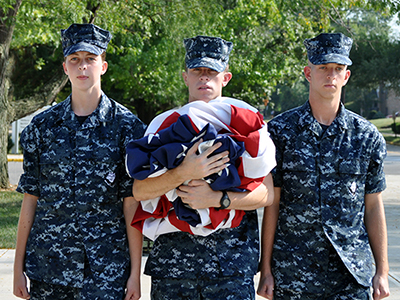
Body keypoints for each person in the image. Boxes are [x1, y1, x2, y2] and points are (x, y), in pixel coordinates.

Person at [124, 35, 275, 300]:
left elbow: (267, 194)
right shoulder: (165, 126)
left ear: (225, 77)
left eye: (211, 72)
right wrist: (184, 173)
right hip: (173, 270)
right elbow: (139, 191)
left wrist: (218, 198)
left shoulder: (248, 125)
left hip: (231, 269)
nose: (204, 78)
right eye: (197, 71)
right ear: (185, 77)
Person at [13, 23, 146, 300]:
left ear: (103, 66)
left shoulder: (127, 128)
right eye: (74, 59)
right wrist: (17, 268)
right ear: (65, 67)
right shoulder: (42, 127)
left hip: (105, 271)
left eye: (90, 59)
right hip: (48, 269)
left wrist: (135, 273)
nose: (82, 66)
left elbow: (131, 203)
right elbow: (30, 198)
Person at [257, 33, 390, 300]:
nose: (330, 75)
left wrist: (382, 271)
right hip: (294, 274)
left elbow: (373, 205)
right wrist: (266, 269)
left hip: (351, 274)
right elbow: (273, 204)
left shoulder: (366, 136)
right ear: (308, 73)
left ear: (346, 76)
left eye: (337, 69)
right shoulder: (281, 132)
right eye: (323, 68)